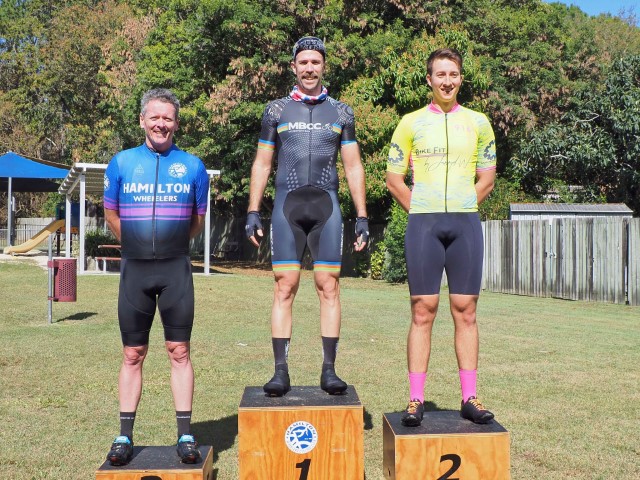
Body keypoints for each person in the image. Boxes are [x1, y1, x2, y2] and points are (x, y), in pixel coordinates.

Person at [245, 36, 369, 397]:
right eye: (303, 62)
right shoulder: (276, 111)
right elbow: (262, 162)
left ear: (324, 66)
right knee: (285, 285)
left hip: (326, 207)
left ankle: (329, 370)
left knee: (329, 286)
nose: (309, 68)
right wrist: (253, 209)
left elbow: (353, 166)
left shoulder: (342, 112)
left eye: (315, 62)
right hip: (288, 207)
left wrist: (362, 216)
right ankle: (280, 371)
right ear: (294, 67)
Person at [386, 48, 497, 426]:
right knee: (423, 310)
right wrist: (421, 209)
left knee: (466, 311)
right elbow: (394, 179)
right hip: (424, 225)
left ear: (461, 78)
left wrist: (462, 206)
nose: (447, 81)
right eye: (440, 75)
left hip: (465, 225)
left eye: (453, 74)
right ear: (429, 79)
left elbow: (487, 177)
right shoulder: (410, 123)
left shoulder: (479, 122)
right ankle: (416, 399)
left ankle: (470, 397)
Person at [103, 88, 210, 465]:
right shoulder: (121, 163)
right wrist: (135, 244)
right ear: (142, 121)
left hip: (175, 268)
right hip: (135, 270)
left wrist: (171, 244)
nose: (161, 124)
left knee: (179, 351)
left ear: (176, 123)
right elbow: (111, 214)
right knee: (132, 353)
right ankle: (124, 436)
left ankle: (185, 434)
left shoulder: (193, 166)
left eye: (168, 118)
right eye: (155, 117)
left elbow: (197, 220)